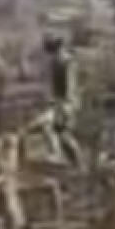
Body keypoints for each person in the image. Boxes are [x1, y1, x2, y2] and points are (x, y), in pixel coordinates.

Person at [38, 33, 82, 168]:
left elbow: (70, 85)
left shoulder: (65, 62)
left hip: (65, 103)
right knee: (62, 134)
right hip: (63, 102)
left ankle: (57, 154)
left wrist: (65, 104)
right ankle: (76, 163)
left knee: (49, 126)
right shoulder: (59, 61)